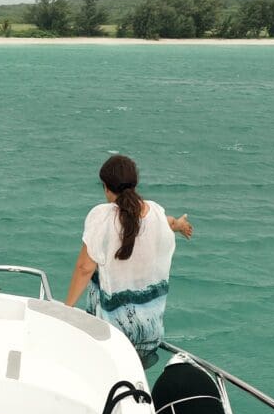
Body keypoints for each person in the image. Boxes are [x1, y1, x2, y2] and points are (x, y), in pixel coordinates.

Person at [64, 155, 192, 368]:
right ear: (135, 183)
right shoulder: (156, 212)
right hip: (149, 337)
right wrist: (178, 225)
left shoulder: (102, 217)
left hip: (112, 335)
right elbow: (165, 221)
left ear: (106, 188)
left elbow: (85, 267)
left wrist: (66, 309)